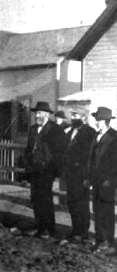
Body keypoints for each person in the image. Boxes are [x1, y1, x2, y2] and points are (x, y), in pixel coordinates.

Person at [23, 101, 67, 239]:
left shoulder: (55, 129)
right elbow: (29, 148)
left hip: (47, 170)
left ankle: (48, 228)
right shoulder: (33, 129)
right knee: (35, 198)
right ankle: (39, 226)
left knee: (45, 199)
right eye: (36, 113)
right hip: (34, 169)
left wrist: (53, 169)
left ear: (47, 114)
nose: (37, 115)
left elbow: (59, 152)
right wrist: (28, 164)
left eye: (40, 113)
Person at [86, 107, 117, 254]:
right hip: (96, 181)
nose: (97, 123)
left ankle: (108, 242)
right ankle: (99, 239)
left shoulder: (116, 138)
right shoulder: (96, 136)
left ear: (107, 121)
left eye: (100, 121)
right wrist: (89, 178)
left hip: (107, 182)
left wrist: (111, 180)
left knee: (107, 212)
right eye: (96, 120)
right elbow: (91, 159)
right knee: (97, 210)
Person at [59, 108, 96, 246]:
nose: (73, 117)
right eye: (72, 115)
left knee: (82, 204)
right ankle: (75, 230)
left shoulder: (90, 133)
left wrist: (87, 176)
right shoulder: (70, 131)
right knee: (72, 203)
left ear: (84, 118)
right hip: (70, 174)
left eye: (76, 115)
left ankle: (83, 233)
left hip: (81, 175)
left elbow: (89, 156)